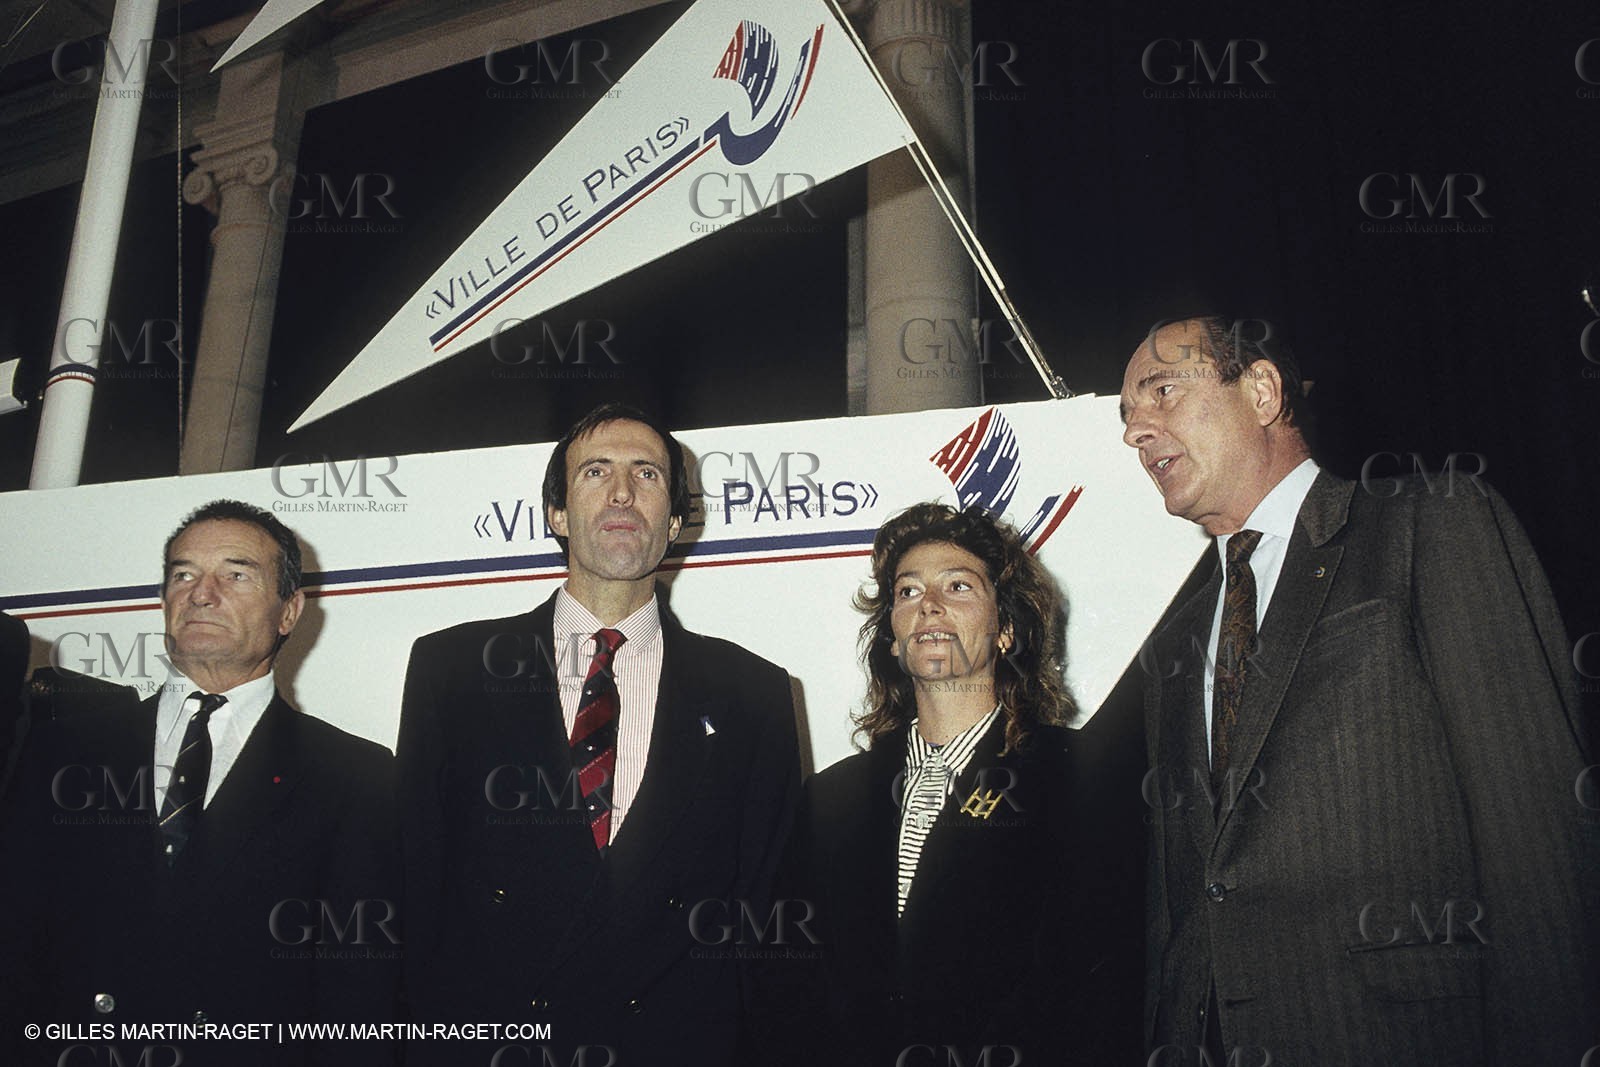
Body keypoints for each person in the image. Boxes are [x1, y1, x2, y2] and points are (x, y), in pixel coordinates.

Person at [1120, 315, 1599, 1066]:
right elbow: (1179, 900)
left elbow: (1536, 831)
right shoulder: (1173, 633)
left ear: (1263, 390)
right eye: (1127, 415)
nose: (1135, 432)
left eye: (1161, 392)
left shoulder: (1428, 522)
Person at [397, 402, 800, 1066]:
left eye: (647, 473)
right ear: (556, 514)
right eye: (595, 472)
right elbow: (419, 892)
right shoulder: (452, 671)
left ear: (674, 521)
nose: (621, 491)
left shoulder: (753, 693)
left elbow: (766, 920)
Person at [0, 500, 399, 1067]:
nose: (201, 593)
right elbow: (13, 942)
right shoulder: (63, 748)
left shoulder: (355, 776)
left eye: (235, 575)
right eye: (183, 574)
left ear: (289, 611)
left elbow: (357, 996)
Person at [754, 502, 1135, 1065]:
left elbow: (1102, 989)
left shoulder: (1076, 777)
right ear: (891, 636)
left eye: (958, 586)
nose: (929, 604)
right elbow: (788, 991)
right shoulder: (830, 800)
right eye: (907, 592)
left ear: (1005, 630)